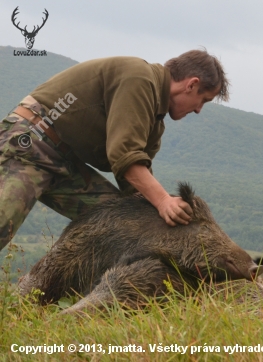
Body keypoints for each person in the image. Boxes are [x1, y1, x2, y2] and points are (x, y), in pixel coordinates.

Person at [0, 49, 229, 250]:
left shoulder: (155, 123)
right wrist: (163, 201)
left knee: (121, 224)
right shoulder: (140, 78)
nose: (199, 110)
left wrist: (162, 215)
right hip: (31, 142)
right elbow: (124, 156)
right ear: (192, 85)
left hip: (62, 159)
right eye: (203, 100)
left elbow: (135, 181)